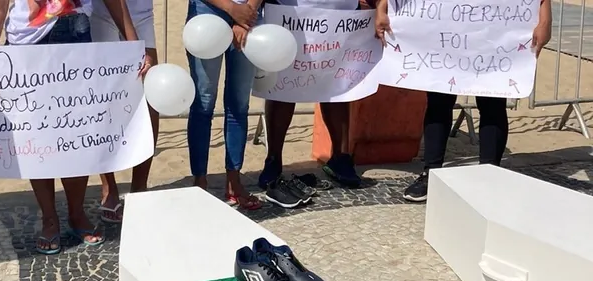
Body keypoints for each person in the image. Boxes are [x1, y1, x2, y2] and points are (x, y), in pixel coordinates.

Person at [0, 0, 143, 253]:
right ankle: (49, 218)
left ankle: (77, 214)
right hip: (25, 41)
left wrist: (134, 45)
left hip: (75, 29)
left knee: (77, 130)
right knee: (35, 134)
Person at [374, 0, 552, 202]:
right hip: (443, 27)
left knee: (492, 102)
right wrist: (383, 6)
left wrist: (545, 19)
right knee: (438, 100)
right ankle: (431, 174)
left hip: (493, 29)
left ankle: (489, 174)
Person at [259, 0, 363, 191]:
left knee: (336, 84)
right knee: (282, 84)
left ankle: (341, 157)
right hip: (290, 10)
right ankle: (273, 159)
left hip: (340, 11)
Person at [186, 0, 263, 210]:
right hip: (207, 11)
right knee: (203, 103)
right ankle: (199, 182)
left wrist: (246, 15)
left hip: (250, 14)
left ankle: (234, 181)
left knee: (239, 104)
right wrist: (232, 9)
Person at [91, 0, 158, 224]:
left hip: (142, 12)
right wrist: (133, 44)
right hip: (102, 12)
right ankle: (109, 185)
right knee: (103, 100)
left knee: (150, 95)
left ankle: (140, 186)